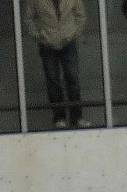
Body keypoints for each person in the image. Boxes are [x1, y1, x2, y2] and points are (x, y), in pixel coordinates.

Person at [24, 0, 90, 129]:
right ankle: (59, 117)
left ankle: (77, 117)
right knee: (53, 81)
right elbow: (28, 19)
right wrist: (39, 36)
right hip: (47, 43)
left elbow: (80, 15)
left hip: (68, 41)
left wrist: (73, 33)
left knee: (72, 78)